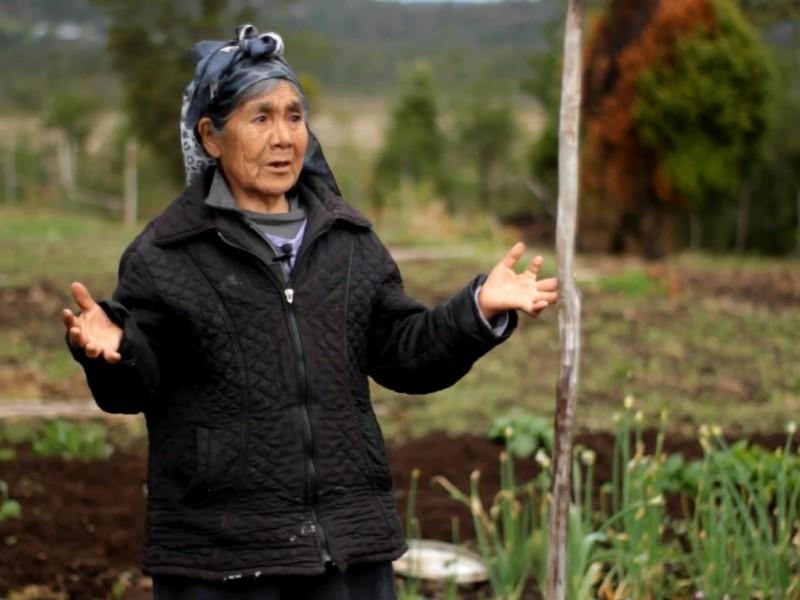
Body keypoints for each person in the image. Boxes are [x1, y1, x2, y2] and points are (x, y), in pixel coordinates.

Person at [61, 25, 558, 600]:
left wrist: (476, 309)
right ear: (211, 136)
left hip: (348, 549)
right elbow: (137, 383)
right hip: (222, 559)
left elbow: (403, 353)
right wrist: (114, 351)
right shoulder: (166, 254)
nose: (283, 137)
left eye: (294, 117)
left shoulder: (346, 239)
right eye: (260, 117)